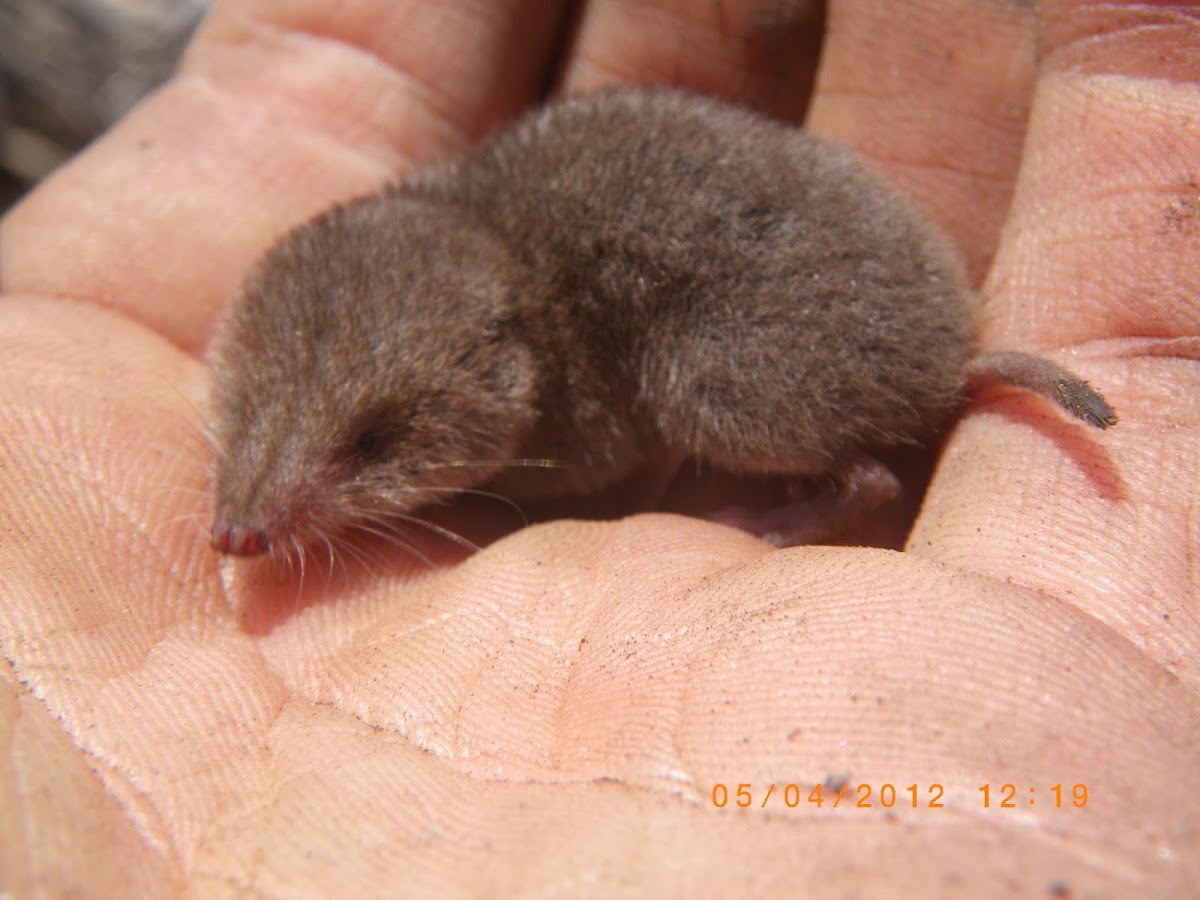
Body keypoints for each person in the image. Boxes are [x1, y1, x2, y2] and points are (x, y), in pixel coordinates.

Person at [1, 1, 1195, 894]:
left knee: (718, 393)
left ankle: (842, 478)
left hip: (794, 317)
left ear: (500, 372)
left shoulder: (545, 369)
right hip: (777, 267)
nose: (251, 519)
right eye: (256, 422)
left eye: (366, 445)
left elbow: (587, 436)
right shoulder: (408, 278)